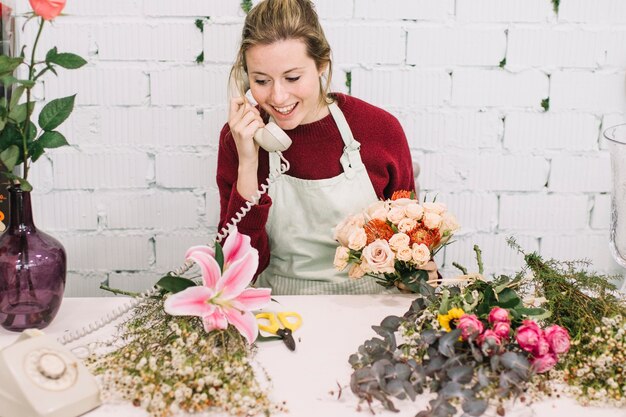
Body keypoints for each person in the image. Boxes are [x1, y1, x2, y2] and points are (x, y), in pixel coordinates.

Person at [217, 0, 436, 294]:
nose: (278, 96)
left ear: (321, 64)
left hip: (371, 309)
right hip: (283, 310)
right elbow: (238, 272)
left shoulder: (380, 130)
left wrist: (418, 273)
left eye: (293, 77)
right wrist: (247, 162)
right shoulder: (240, 137)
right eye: (261, 80)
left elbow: (411, 253)